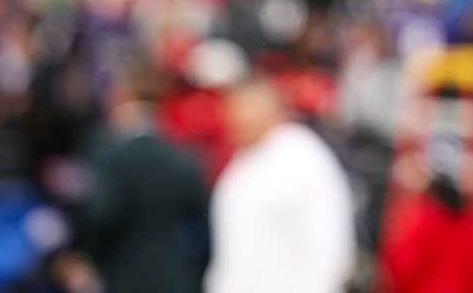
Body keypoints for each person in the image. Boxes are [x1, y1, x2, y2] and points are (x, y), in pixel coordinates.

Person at [205, 76, 357, 293]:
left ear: (270, 109)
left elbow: (331, 241)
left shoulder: (302, 156)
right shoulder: (245, 160)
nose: (234, 117)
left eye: (243, 108)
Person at [71, 64, 209, 293]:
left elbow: (102, 212)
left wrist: (87, 255)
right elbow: (202, 221)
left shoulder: (111, 155)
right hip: (176, 276)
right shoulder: (183, 156)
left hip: (124, 275)